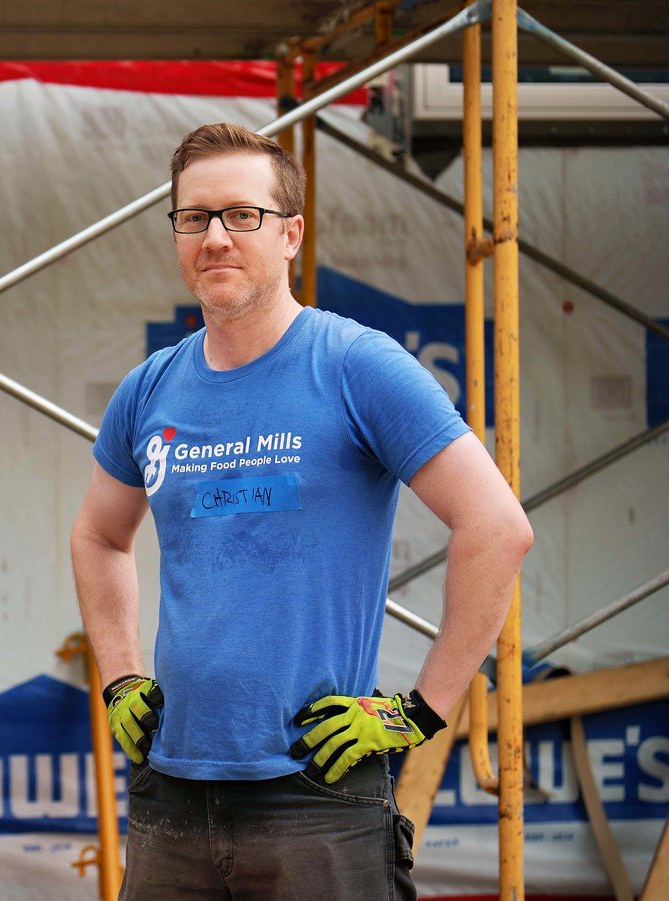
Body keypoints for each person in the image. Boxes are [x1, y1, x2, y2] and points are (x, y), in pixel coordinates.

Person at [70, 124, 532, 899]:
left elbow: (497, 526)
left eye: (241, 215)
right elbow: (98, 534)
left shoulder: (356, 365)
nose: (215, 236)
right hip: (172, 789)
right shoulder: (148, 390)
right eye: (194, 217)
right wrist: (119, 676)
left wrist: (421, 711)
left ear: (291, 234)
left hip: (315, 791)